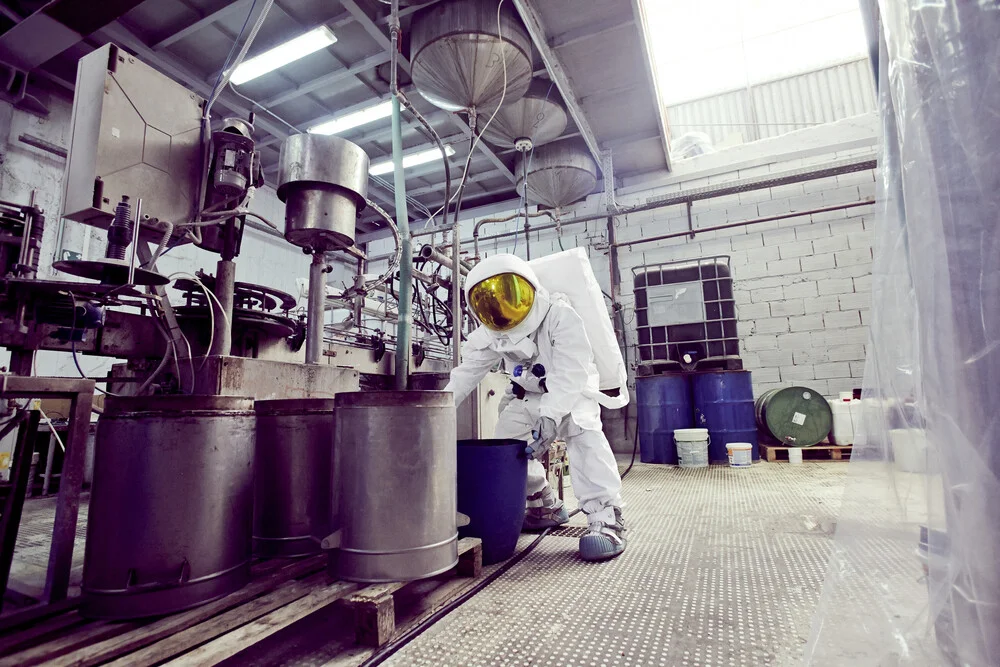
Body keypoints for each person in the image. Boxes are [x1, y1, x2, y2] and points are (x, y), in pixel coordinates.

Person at [445, 253, 626, 561]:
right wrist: (437, 409)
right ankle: (544, 503)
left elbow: (571, 369)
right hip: (528, 395)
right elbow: (466, 374)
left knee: (584, 437)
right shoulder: (492, 334)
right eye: (492, 304)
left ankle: (606, 517)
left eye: (510, 297)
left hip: (573, 391)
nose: (503, 309)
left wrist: (553, 415)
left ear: (530, 289)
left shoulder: (559, 315)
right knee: (507, 447)